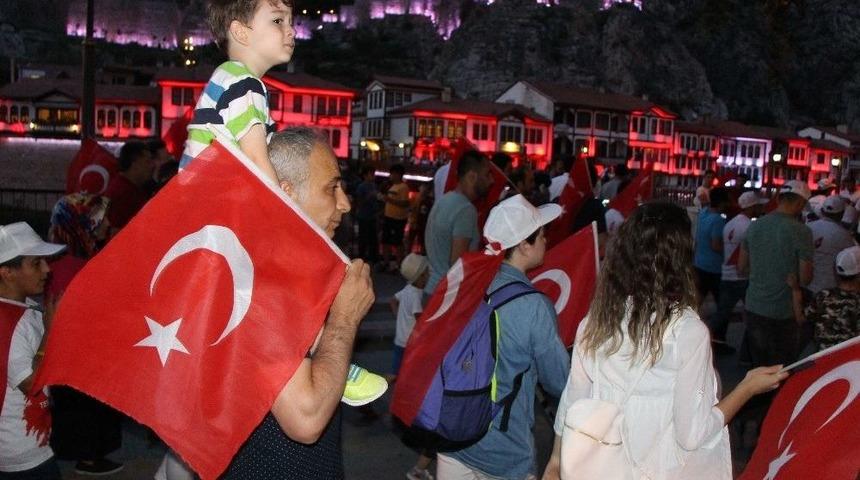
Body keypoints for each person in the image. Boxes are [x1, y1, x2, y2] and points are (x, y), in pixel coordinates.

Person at [544, 202, 789, 480]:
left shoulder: (596, 322)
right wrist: (747, 388)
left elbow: (573, 400)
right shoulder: (687, 332)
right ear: (681, 259)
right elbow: (692, 435)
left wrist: (555, 462)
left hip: (600, 467)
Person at [437, 195, 570, 480]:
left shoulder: (466, 281)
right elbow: (559, 381)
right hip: (502, 451)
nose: (546, 241)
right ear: (524, 244)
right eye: (542, 236)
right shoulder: (534, 305)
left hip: (451, 433)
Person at [44, 194, 125, 476]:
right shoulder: (74, 267)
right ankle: (88, 458)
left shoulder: (68, 260)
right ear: (81, 224)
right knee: (85, 413)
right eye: (99, 220)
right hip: (80, 360)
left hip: (77, 358)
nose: (107, 224)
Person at [180, 0, 295, 185]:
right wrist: (285, 209)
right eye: (278, 21)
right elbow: (256, 160)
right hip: (212, 202)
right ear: (241, 32)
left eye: (291, 22)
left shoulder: (229, 75)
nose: (292, 31)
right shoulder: (244, 83)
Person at [0, 222, 66, 479]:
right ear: (7, 272)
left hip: (29, 443)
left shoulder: (22, 309)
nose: (47, 269)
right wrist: (50, 331)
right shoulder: (6, 323)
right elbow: (32, 384)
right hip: (20, 454)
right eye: (36, 263)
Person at [388, 253, 434, 480]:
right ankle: (406, 406)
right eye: (427, 273)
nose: (429, 276)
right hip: (410, 345)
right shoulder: (416, 294)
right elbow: (420, 318)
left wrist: (399, 317)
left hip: (399, 341)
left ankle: (381, 387)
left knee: (397, 375)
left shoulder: (405, 290)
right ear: (419, 277)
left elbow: (392, 301)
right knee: (408, 378)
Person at [424, 151, 494, 295]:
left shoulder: (444, 200)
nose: (491, 180)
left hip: (432, 289)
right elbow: (458, 264)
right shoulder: (466, 210)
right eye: (487, 174)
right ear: (472, 176)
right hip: (447, 296)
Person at [708, 191, 764, 352]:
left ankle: (706, 341)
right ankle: (750, 350)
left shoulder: (730, 223)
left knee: (722, 314)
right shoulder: (750, 227)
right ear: (752, 207)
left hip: (727, 274)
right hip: (743, 276)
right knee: (754, 315)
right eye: (758, 206)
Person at [803, 246, 860, 351]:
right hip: (847, 359)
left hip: (821, 354)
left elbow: (802, 318)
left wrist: (795, 290)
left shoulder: (823, 295)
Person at [807, 196, 857, 295]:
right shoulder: (844, 235)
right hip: (829, 288)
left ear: (823, 211)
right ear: (841, 214)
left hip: (806, 284)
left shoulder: (807, 228)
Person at [103, 140, 154, 231]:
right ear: (135, 163)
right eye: (148, 161)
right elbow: (116, 233)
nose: (152, 166)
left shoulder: (125, 187)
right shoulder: (125, 194)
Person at [694, 187, 730, 311]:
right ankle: (718, 327)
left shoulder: (703, 213)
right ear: (721, 203)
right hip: (714, 267)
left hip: (699, 263)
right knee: (722, 303)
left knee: (697, 299)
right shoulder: (718, 220)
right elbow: (715, 245)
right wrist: (728, 253)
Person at [380, 164, 411, 272]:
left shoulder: (404, 187)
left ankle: (398, 264)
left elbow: (405, 203)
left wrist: (388, 199)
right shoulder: (392, 186)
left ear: (398, 174)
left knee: (397, 242)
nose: (391, 176)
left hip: (398, 219)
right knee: (386, 241)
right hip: (388, 217)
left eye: (392, 174)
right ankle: (386, 262)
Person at [354, 165, 380, 264]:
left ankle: (373, 258)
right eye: (371, 174)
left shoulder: (373, 185)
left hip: (372, 216)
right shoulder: (362, 186)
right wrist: (369, 197)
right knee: (363, 239)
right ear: (365, 175)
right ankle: (362, 258)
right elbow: (359, 202)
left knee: (373, 239)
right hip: (364, 216)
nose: (373, 176)